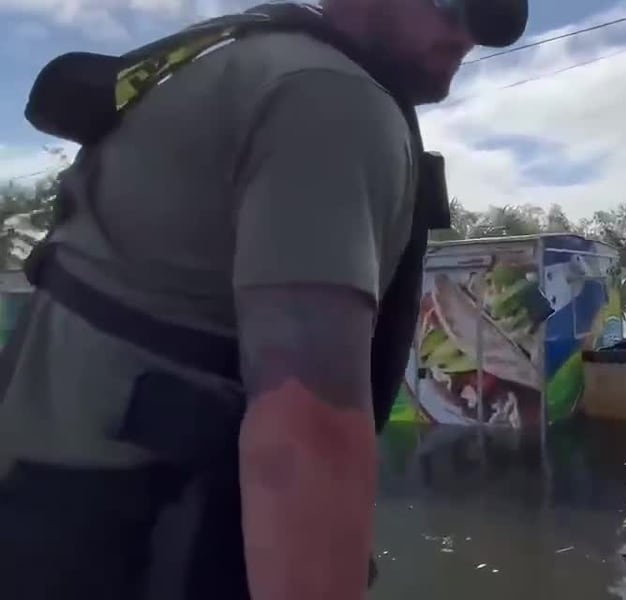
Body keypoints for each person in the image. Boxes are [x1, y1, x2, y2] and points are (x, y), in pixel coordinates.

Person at [0, 1, 526, 600]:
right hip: (135, 549)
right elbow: (306, 432)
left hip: (43, 521)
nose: (466, 32)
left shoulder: (232, 58)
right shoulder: (332, 99)